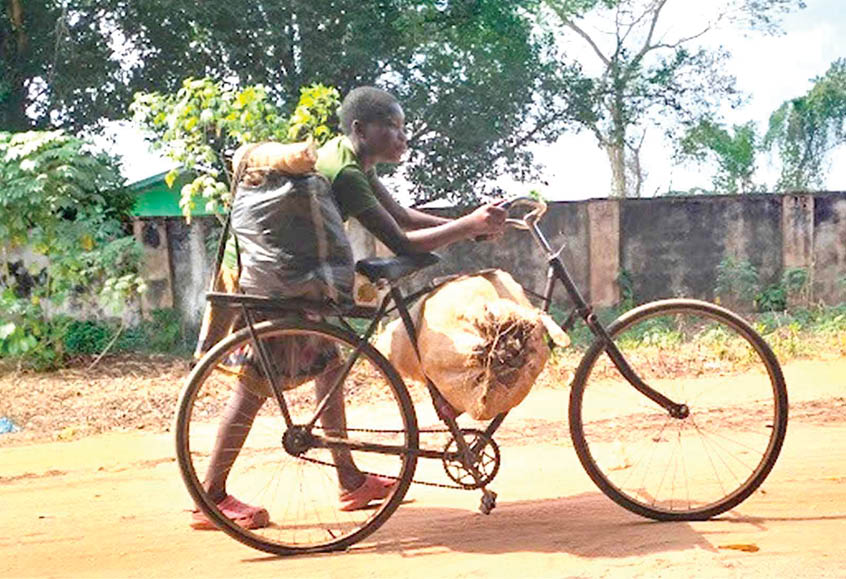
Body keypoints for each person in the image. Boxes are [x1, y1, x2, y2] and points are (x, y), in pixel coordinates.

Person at [191, 86, 507, 530]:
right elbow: (398, 240)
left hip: (287, 277)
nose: (402, 137)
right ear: (360, 128)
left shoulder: (348, 157)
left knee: (328, 368)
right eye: (391, 127)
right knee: (256, 383)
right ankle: (211, 497)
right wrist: (466, 226)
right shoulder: (345, 173)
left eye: (403, 127)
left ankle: (350, 480)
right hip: (277, 283)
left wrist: (470, 228)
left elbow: (402, 215)